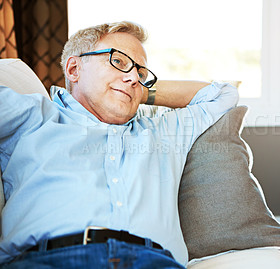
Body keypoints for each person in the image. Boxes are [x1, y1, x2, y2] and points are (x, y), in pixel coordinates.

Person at [0, 21, 238, 268]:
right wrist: (124, 85)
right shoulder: (34, 116)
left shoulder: (163, 131)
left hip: (152, 262)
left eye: (141, 73)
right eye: (119, 61)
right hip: (48, 260)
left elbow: (223, 95)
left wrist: (134, 90)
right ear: (74, 69)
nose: (134, 76)